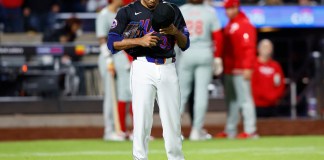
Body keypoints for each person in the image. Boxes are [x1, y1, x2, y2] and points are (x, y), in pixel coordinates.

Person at [107, 0, 189, 159]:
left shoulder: (171, 10)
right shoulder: (128, 11)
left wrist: (175, 32)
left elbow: (185, 44)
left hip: (168, 67)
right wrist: (140, 41)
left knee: (173, 123)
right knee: (142, 121)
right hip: (142, 66)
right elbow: (112, 43)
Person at [178, 0, 223, 140]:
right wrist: (218, 57)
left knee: (181, 94)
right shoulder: (210, 11)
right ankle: (197, 130)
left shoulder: (182, 10)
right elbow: (218, 36)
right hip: (204, 53)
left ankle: (174, 130)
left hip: (186, 53)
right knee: (201, 94)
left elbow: (172, 33)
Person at [215, 0, 258, 139]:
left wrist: (248, 67)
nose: (227, 12)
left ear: (236, 7)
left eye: (229, 8)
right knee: (231, 102)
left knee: (245, 100)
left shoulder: (244, 24)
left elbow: (249, 48)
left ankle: (251, 130)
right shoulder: (230, 25)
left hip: (240, 69)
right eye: (226, 9)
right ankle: (230, 130)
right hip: (230, 69)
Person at [96, 0, 128, 141]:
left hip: (121, 57)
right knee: (110, 96)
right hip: (109, 58)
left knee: (123, 94)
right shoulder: (103, 14)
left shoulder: (121, 13)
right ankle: (108, 131)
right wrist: (108, 60)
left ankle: (119, 129)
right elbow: (102, 39)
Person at [252, 39, 285, 118]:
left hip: (273, 106)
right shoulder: (253, 65)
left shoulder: (276, 66)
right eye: (264, 47)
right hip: (257, 106)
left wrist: (274, 97)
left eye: (269, 47)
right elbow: (252, 85)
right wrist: (265, 97)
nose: (267, 49)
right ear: (258, 49)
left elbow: (281, 84)